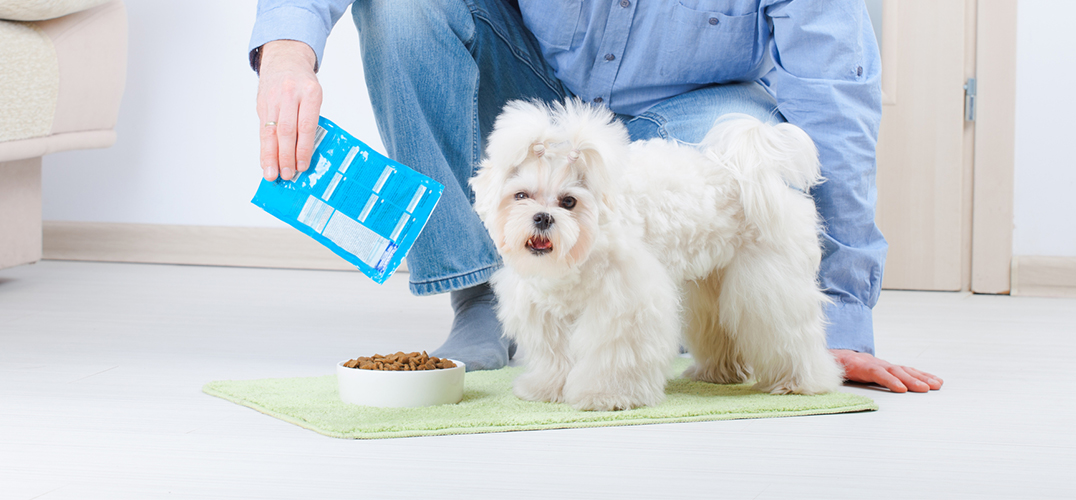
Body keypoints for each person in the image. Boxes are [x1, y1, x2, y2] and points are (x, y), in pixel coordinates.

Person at [249, 0, 943, 393]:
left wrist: (840, 314)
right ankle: (484, 293)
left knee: (749, 170)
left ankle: (650, 306)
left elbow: (834, 99)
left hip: (692, 112)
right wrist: (286, 52)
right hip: (544, 94)